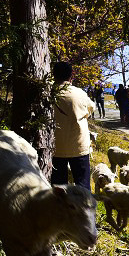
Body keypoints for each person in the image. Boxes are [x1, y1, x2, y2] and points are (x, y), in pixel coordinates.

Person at [50, 62, 96, 191]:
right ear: (72, 75)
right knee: (83, 186)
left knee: (59, 188)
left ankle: (60, 210)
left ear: (53, 75)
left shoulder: (48, 92)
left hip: (55, 147)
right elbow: (91, 108)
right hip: (78, 146)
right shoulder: (79, 93)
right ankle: (84, 209)